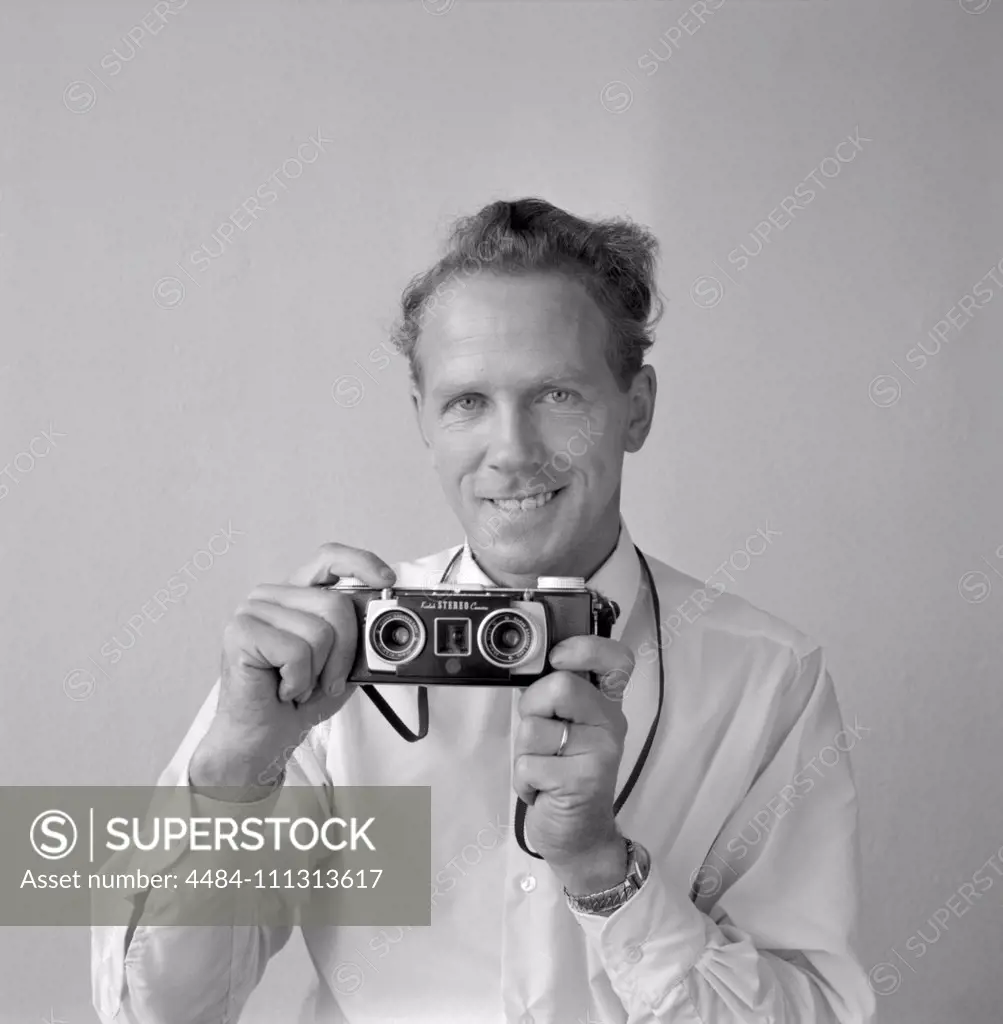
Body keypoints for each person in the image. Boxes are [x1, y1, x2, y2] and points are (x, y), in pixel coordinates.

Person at [91, 198, 875, 1024]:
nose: (512, 451)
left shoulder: (764, 679)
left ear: (635, 407)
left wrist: (604, 872)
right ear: (422, 419)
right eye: (467, 401)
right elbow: (154, 1012)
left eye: (557, 395)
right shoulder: (321, 663)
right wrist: (231, 777)